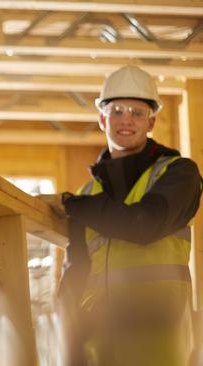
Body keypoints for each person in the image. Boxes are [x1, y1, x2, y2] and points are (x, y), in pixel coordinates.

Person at [55, 64, 202, 366]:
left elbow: (144, 225)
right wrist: (69, 347)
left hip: (161, 342)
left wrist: (77, 206)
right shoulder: (86, 194)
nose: (126, 120)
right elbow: (75, 274)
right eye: (117, 110)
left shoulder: (178, 173)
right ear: (101, 119)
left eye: (137, 112)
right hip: (98, 345)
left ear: (152, 122)